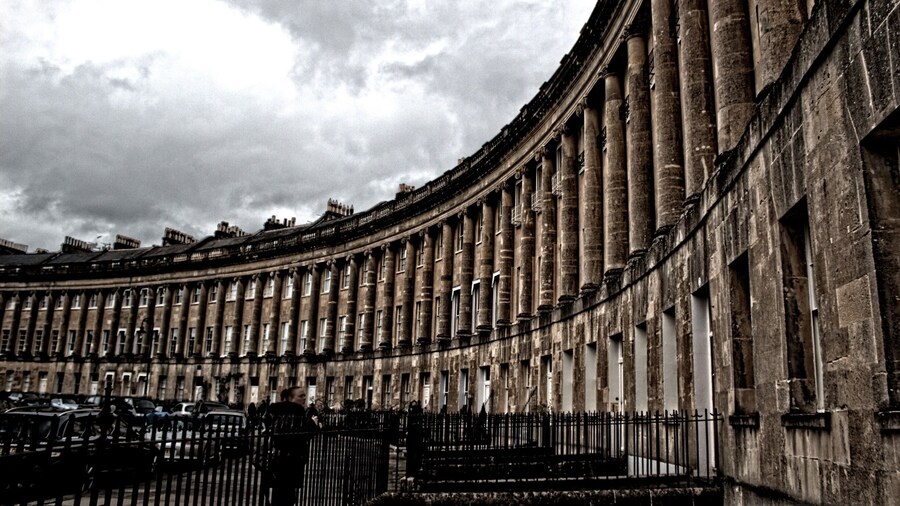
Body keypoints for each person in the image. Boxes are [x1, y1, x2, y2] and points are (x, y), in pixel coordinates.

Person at [263, 387, 320, 506]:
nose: (304, 398)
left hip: (277, 461)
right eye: (301, 396)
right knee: (287, 497)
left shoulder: (275, 411)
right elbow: (304, 434)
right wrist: (314, 425)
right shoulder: (296, 412)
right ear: (290, 398)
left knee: (279, 495)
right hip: (291, 462)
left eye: (304, 395)